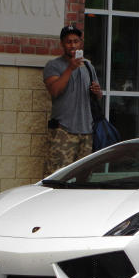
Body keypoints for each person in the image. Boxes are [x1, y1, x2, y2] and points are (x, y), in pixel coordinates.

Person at [43, 25, 102, 176]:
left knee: (82, 180)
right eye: (69, 42)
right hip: (63, 131)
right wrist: (70, 68)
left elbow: (98, 97)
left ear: (81, 43)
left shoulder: (88, 66)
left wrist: (97, 92)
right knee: (57, 177)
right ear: (62, 44)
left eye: (76, 41)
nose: (73, 45)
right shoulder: (53, 65)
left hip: (86, 132)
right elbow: (55, 90)